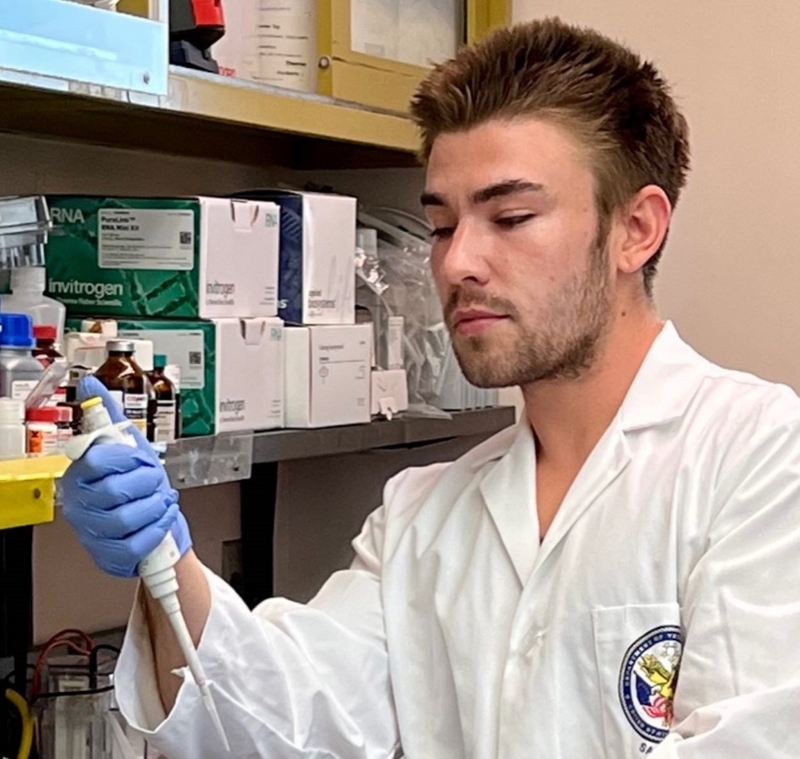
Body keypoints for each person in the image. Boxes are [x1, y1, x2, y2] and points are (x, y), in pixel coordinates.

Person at [59, 17, 800, 759]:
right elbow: (284, 720)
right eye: (442, 226)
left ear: (636, 229)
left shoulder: (757, 457)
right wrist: (165, 559)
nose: (458, 263)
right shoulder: (423, 515)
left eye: (510, 217)